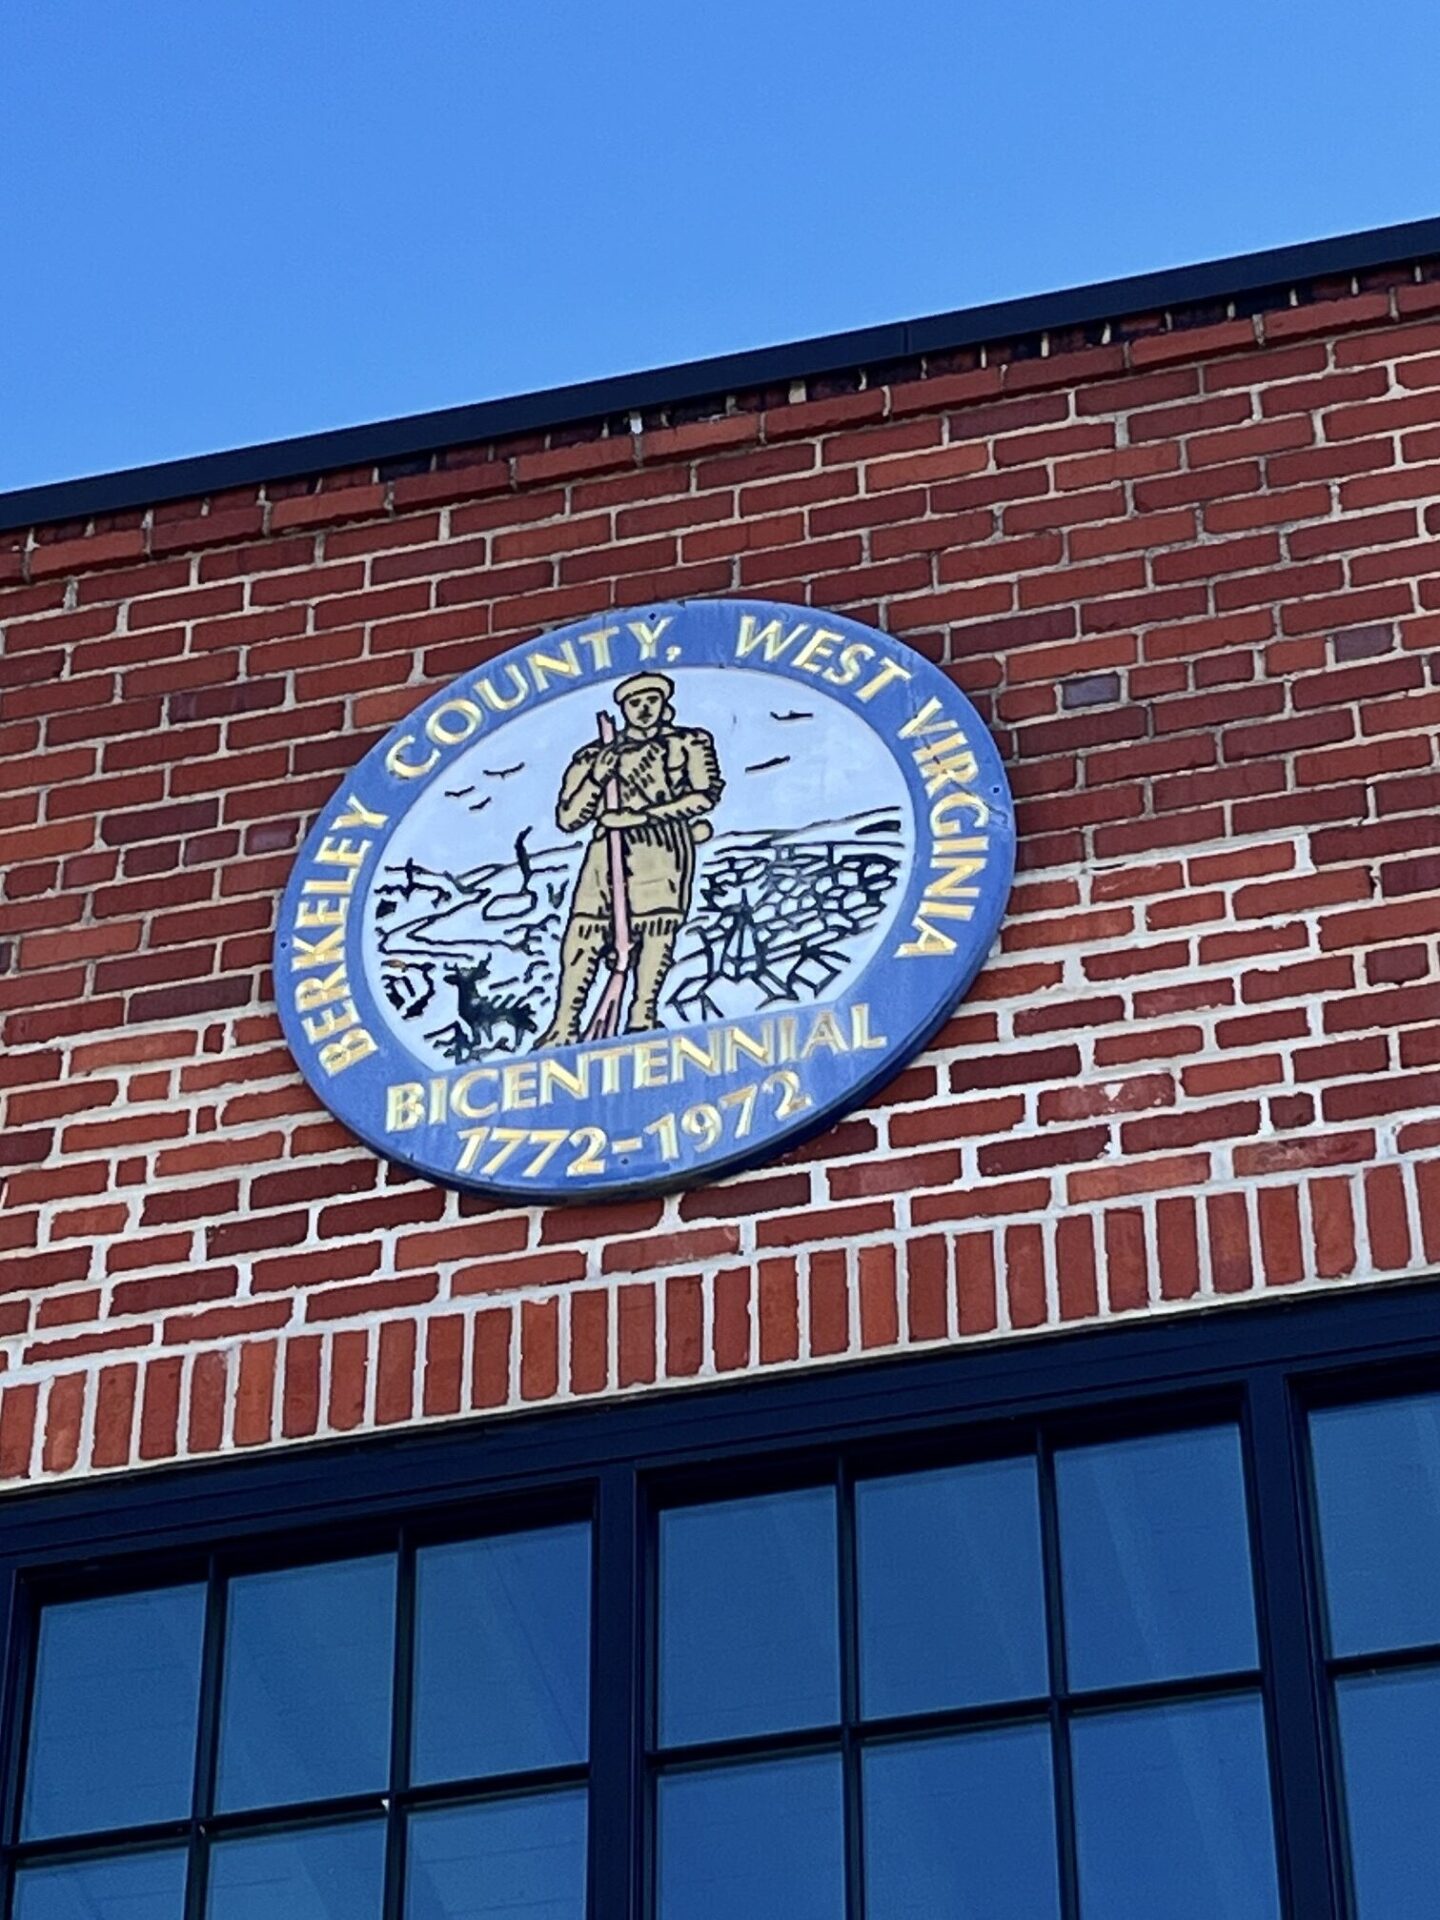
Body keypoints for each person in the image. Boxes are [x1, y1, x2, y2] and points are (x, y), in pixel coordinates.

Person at [536, 673, 723, 1045]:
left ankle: (642, 1016)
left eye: (650, 700)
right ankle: (564, 1025)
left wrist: (641, 817)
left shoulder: (688, 743)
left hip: (662, 847)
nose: (643, 709)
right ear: (624, 708)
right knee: (584, 932)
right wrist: (597, 779)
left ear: (663, 703)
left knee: (657, 930)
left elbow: (705, 795)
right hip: (606, 852)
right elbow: (569, 818)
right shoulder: (595, 755)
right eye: (635, 703)